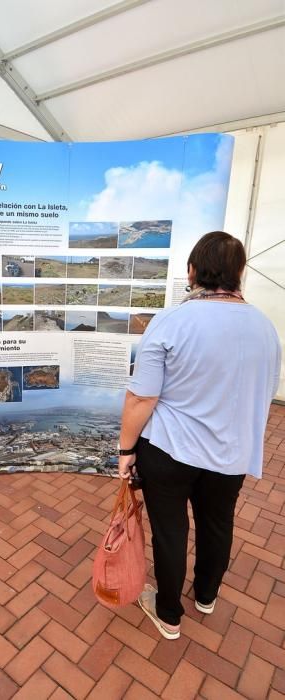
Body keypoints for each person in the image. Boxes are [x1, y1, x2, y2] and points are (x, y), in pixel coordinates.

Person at [118, 231, 281, 640]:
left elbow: (141, 399)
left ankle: (169, 614)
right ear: (240, 273)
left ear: (192, 271)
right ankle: (207, 595)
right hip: (231, 454)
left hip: (171, 452)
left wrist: (125, 450)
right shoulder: (266, 328)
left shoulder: (172, 320)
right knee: (217, 524)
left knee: (171, 531)